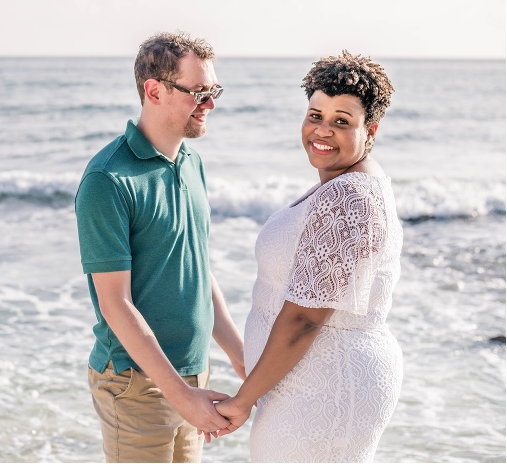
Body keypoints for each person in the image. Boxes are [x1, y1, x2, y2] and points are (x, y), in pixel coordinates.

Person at [215, 51, 404, 462]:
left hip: (325, 385)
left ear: (370, 129)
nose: (322, 130)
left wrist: (243, 400)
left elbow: (304, 318)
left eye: (342, 121)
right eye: (315, 115)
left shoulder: (348, 197)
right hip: (307, 379)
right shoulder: (346, 185)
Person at [75, 31, 245, 463]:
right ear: (154, 90)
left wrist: (241, 356)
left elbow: (196, 268)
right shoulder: (107, 180)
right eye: (199, 93)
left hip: (191, 373)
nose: (210, 104)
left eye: (214, 92)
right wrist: (182, 396)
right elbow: (115, 304)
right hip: (135, 384)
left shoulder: (192, 163)